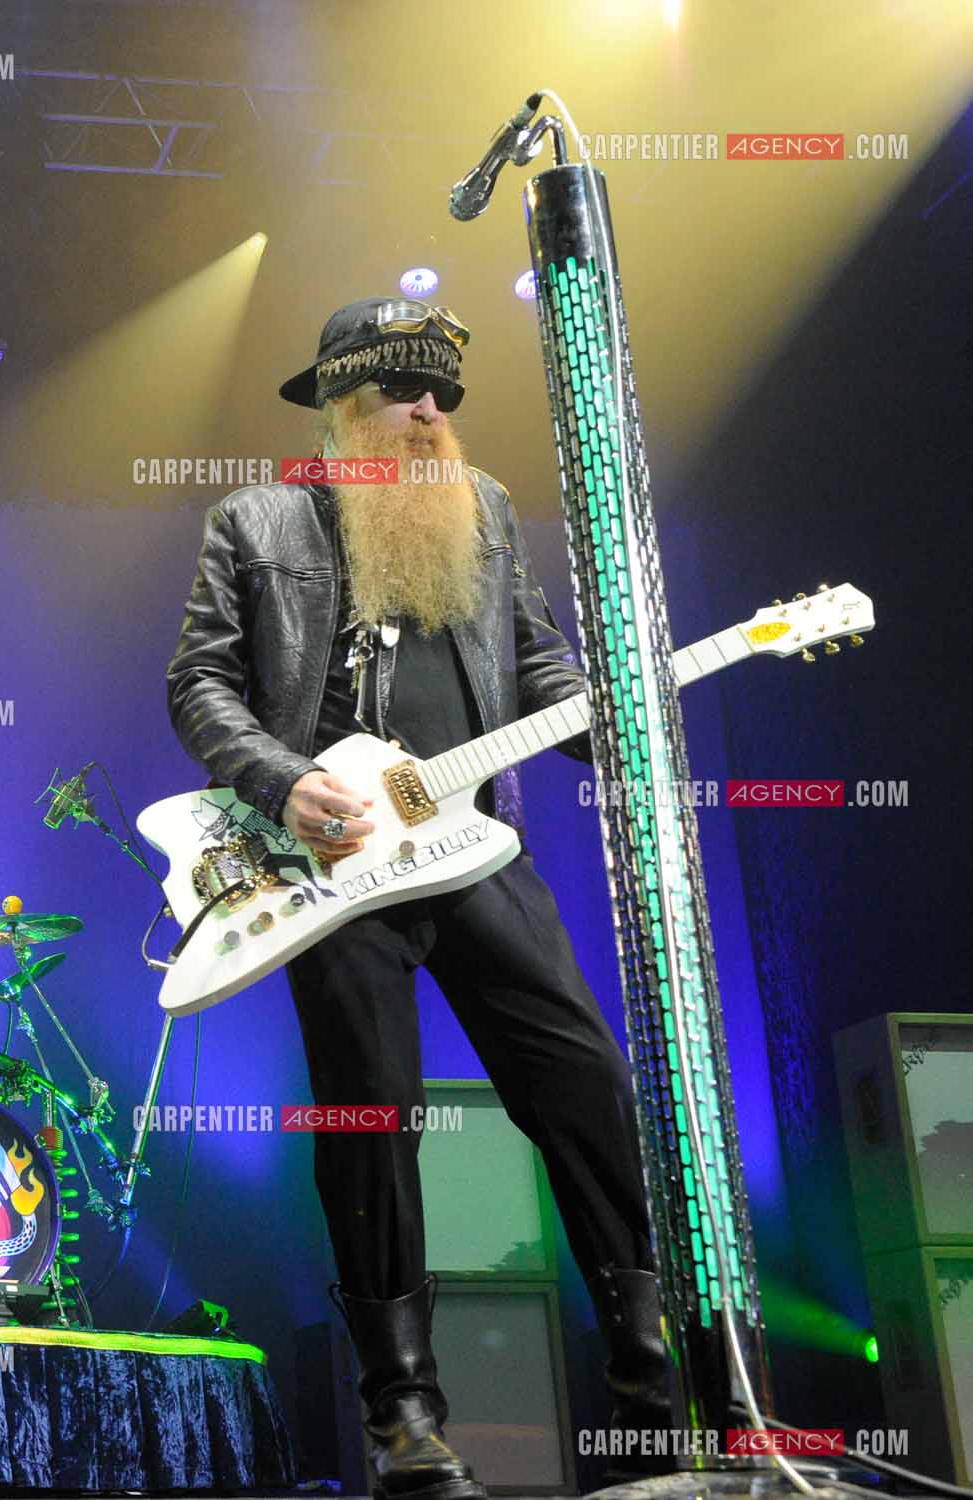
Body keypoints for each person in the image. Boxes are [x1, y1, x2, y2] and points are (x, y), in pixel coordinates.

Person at [164, 299, 671, 1500]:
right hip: (332, 871)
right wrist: (283, 786)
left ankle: (649, 1379)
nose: (430, 411)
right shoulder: (259, 519)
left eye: (440, 391)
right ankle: (402, 1413)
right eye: (402, 390)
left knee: (586, 1079)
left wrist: (610, 723)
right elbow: (199, 683)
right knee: (367, 1120)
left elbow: (534, 656)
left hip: (474, 844)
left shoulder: (483, 509)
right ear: (341, 407)